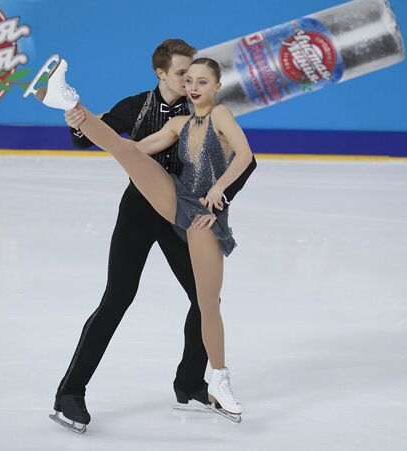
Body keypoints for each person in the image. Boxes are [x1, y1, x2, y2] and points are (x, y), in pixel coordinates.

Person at [25, 41, 256, 431]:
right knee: (118, 297)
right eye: (182, 74)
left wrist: (217, 199)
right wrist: (77, 121)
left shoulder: (202, 108)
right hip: (140, 210)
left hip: (185, 216)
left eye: (195, 76)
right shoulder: (136, 107)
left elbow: (244, 161)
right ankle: (70, 394)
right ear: (161, 74)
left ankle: (190, 385)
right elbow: (96, 142)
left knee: (204, 299)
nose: (189, 82)